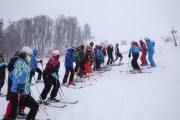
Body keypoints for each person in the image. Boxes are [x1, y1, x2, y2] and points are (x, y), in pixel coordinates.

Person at [3, 46, 39, 120]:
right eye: (29, 55)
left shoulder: (20, 62)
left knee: (35, 106)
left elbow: (11, 75)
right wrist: (20, 85)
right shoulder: (22, 63)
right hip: (19, 93)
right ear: (26, 55)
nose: (30, 57)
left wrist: (16, 82)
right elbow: (21, 75)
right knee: (13, 115)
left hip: (22, 93)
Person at [5, 51, 27, 119]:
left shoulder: (15, 59)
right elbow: (13, 72)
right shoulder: (17, 60)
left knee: (20, 97)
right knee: (17, 98)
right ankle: (12, 113)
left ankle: (17, 111)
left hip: (16, 82)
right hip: (16, 84)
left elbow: (11, 73)